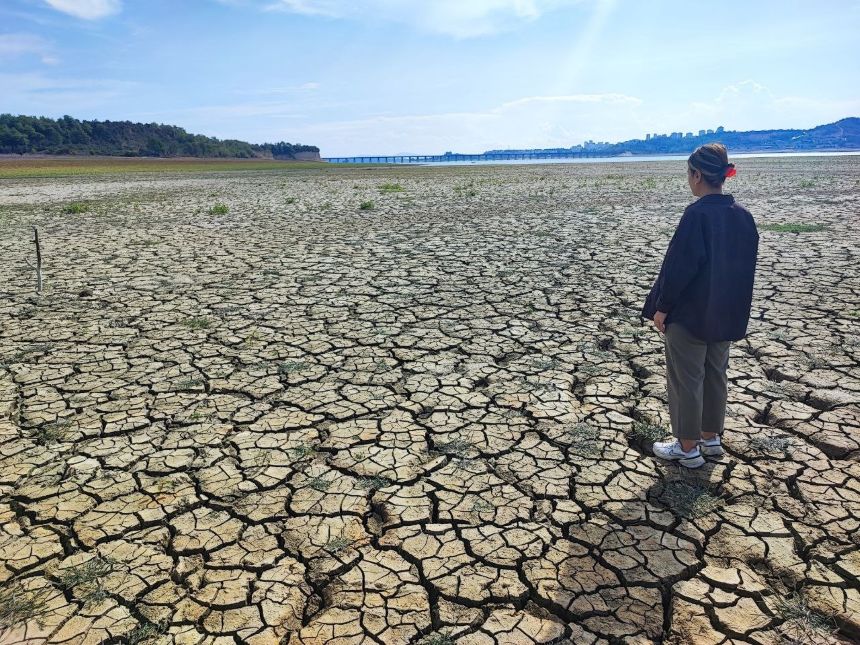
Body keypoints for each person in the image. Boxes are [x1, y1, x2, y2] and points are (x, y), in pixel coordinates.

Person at [640, 143, 759, 468]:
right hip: (723, 314)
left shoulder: (697, 215)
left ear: (697, 175)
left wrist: (662, 307)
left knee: (686, 379)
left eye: (689, 174)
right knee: (715, 374)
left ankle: (687, 447)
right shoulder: (743, 216)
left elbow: (679, 268)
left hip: (690, 316)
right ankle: (711, 439)